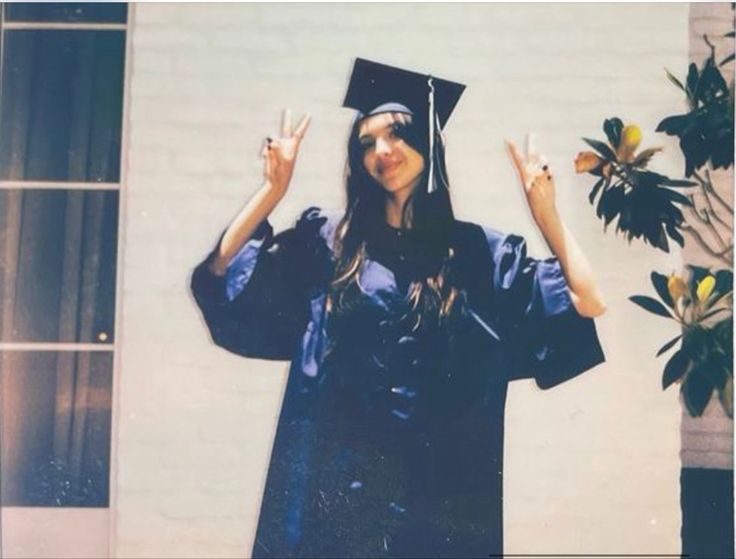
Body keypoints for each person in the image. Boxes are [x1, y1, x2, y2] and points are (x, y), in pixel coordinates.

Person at [190, 58, 607, 559]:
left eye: (395, 135)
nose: (381, 151)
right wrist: (271, 191)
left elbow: (586, 301)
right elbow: (223, 275)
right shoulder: (329, 243)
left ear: (428, 143)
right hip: (337, 499)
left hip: (440, 503)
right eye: (366, 142)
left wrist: (547, 215)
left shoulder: (479, 256)